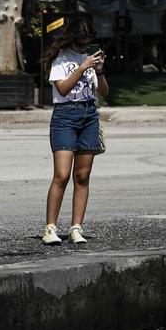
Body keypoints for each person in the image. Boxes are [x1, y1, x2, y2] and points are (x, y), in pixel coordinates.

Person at [42, 19, 108, 245]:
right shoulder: (61, 58)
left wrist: (99, 71)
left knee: (82, 175)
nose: (83, 48)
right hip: (65, 116)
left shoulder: (91, 59)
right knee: (61, 175)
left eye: (87, 44)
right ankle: (51, 228)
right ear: (72, 39)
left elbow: (105, 93)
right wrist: (82, 67)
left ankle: (76, 228)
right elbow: (63, 88)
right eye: (80, 43)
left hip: (89, 114)